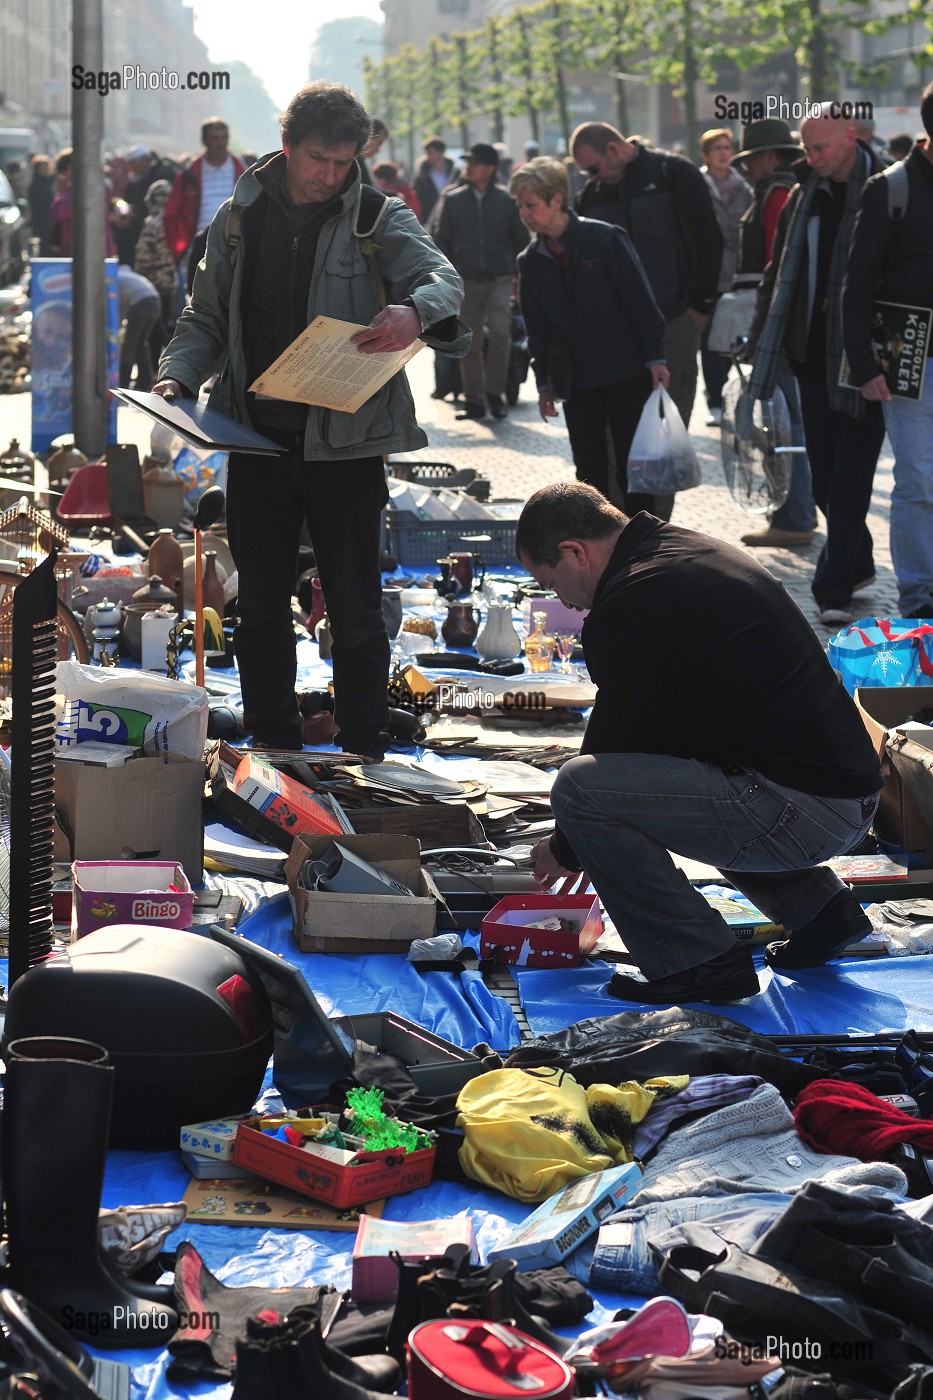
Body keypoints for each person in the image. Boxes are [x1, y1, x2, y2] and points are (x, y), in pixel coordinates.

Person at [152, 81, 468, 757]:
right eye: (317, 160)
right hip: (255, 437)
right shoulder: (239, 216)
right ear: (287, 147)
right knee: (260, 606)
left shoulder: (377, 214)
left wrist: (415, 313)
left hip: (346, 444)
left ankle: (365, 743)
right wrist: (176, 373)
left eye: (342, 162)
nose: (329, 175)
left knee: (354, 608)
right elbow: (203, 314)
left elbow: (441, 278)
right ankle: (273, 740)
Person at [518, 481, 882, 1004]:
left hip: (807, 809)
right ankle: (821, 912)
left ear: (575, 553)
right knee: (686, 769)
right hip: (842, 792)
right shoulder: (678, 548)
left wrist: (565, 847)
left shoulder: (635, 597)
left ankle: (698, 960)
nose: (562, 603)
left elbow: (616, 746)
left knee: (580, 791)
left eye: (551, 583)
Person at [748, 105, 886, 625]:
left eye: (820, 147)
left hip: (862, 356)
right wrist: (761, 337)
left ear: (852, 135)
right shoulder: (803, 193)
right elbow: (776, 271)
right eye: (807, 148)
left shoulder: (885, 189)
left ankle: (834, 587)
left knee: (851, 474)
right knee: (826, 474)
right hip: (810, 353)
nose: (811, 157)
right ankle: (861, 557)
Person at [570, 121, 722, 520]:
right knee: (611, 443)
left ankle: (652, 536)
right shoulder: (591, 194)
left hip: (673, 325)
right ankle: (614, 535)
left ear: (615, 149)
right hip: (614, 338)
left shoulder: (674, 174)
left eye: (593, 167)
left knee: (659, 440)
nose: (589, 177)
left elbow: (708, 239)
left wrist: (699, 308)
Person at [509, 157, 668, 497]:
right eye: (520, 205)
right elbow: (536, 330)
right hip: (576, 381)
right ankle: (599, 545)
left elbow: (641, 303)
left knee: (634, 470)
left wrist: (656, 357)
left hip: (627, 372)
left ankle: (642, 544)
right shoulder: (531, 261)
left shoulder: (605, 239)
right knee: (590, 473)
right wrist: (543, 384)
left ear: (556, 201)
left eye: (530, 205)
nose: (524, 213)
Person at [843, 82, 933, 620]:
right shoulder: (891, 189)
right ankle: (920, 596)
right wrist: (865, 363)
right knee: (920, 478)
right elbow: (857, 284)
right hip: (910, 361)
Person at [730, 118, 817, 549]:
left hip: (777, 331)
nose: (746, 170)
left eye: (749, 162)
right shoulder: (780, 191)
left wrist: (762, 330)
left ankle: (794, 513)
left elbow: (774, 268)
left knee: (782, 424)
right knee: (783, 422)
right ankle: (795, 510)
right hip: (779, 327)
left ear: (767, 157)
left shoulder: (776, 194)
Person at [433, 141, 529, 421]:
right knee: (469, 341)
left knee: (501, 334)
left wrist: (518, 275)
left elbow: (521, 240)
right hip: (465, 280)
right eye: (467, 162)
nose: (468, 167)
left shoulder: (507, 199)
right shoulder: (452, 199)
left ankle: (495, 394)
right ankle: (474, 399)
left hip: (499, 278)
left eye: (474, 162)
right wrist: (445, 277)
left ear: (489, 168)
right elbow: (442, 242)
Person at [698, 128, 752, 427]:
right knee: (710, 342)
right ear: (705, 155)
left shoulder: (744, 187)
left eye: (727, 146)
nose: (723, 152)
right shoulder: (698, 185)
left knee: (737, 338)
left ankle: (739, 397)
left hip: (739, 274)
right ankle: (715, 400)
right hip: (709, 275)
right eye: (716, 148)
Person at [162, 118, 246, 293]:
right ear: (205, 141)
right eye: (214, 138)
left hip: (233, 244)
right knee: (196, 297)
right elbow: (171, 213)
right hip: (197, 246)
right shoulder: (189, 174)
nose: (220, 143)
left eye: (224, 137)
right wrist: (179, 246)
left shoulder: (242, 171)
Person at [133, 180, 178, 363]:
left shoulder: (153, 223)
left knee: (153, 330)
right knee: (162, 321)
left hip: (152, 281)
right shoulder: (174, 221)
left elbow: (143, 253)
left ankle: (161, 364)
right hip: (169, 279)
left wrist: (138, 274)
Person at [118, 144, 178, 266]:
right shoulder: (137, 179)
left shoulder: (163, 174)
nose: (132, 169)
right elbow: (127, 201)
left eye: (134, 164)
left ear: (145, 161)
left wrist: (133, 219)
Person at [117, 266, 161, 390]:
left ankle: (123, 382)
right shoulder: (129, 276)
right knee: (141, 342)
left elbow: (119, 307)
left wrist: (118, 327)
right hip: (155, 302)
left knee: (129, 344)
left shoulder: (116, 280)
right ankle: (145, 380)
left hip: (140, 303)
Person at [414, 137, 458, 229]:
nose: (428, 156)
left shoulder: (455, 173)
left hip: (452, 219)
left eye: (431, 153)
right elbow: (416, 199)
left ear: (441, 152)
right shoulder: (421, 176)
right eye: (427, 153)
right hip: (429, 221)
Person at [27, 155, 56, 256]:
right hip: (43, 219)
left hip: (48, 218)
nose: (45, 169)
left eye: (46, 167)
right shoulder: (36, 184)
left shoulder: (49, 181)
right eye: (42, 167)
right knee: (45, 245)